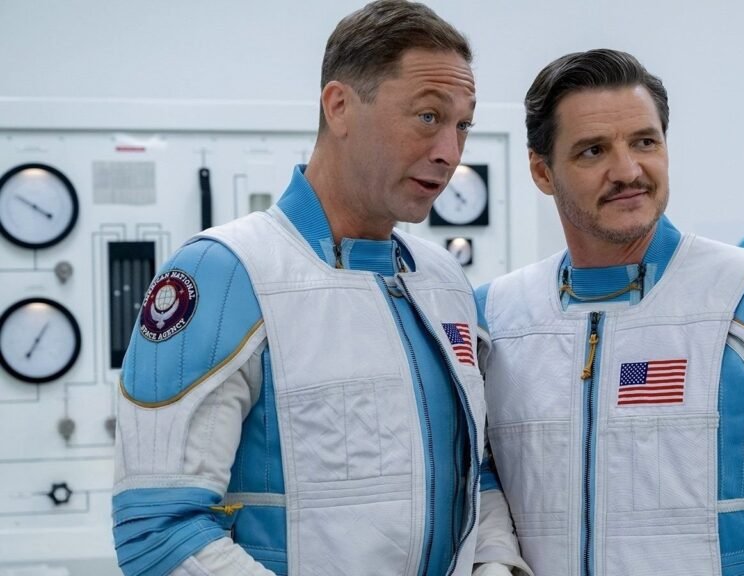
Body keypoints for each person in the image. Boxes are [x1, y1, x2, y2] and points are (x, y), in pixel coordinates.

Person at [111, 2, 528, 575]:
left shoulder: (444, 282)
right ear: (339, 106)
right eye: (428, 116)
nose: (449, 153)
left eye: (463, 126)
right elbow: (159, 532)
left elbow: (474, 474)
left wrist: (495, 565)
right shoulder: (227, 272)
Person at [475, 49, 744, 575]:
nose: (628, 171)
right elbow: (477, 487)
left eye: (644, 142)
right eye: (593, 151)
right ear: (541, 171)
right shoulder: (496, 316)